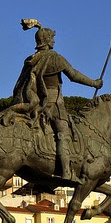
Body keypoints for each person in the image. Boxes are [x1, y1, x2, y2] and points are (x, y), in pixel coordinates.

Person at [10, 19, 102, 185]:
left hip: (35, 100)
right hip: (53, 102)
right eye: (52, 38)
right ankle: (66, 171)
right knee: (63, 133)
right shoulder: (54, 58)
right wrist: (94, 83)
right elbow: (73, 75)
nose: (54, 41)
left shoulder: (31, 59)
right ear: (46, 40)